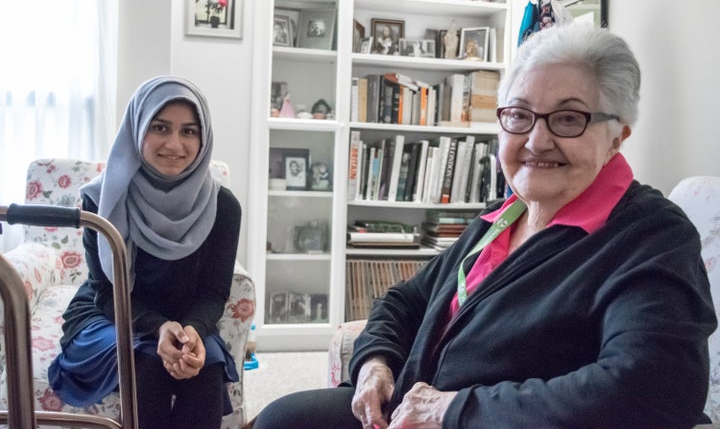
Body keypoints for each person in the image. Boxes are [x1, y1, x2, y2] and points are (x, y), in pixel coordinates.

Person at [252, 23, 717, 428]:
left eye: (569, 118)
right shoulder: (505, 214)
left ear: (618, 136)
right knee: (283, 419)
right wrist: (376, 361)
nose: (536, 139)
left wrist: (451, 411)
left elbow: (654, 387)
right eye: (518, 115)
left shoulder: (649, 234)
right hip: (411, 411)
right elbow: (405, 300)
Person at [48, 76, 242, 429]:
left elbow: (214, 292)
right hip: (114, 314)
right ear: (137, 129)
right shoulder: (100, 201)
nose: (174, 144)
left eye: (189, 131)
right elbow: (105, 291)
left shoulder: (223, 207)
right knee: (147, 360)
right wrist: (158, 326)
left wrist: (192, 330)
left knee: (205, 367)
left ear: (204, 137)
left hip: (186, 317)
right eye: (160, 127)